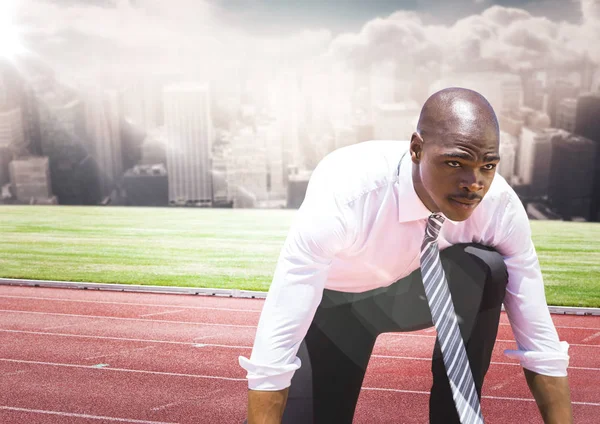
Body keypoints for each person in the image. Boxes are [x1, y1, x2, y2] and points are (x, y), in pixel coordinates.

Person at [239, 87, 573, 423]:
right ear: (416, 149)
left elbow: (539, 339)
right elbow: (275, 345)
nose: (474, 183)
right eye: (455, 162)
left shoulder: (498, 205)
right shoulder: (346, 196)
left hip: (410, 295)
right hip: (332, 306)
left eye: (488, 165)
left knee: (488, 268)